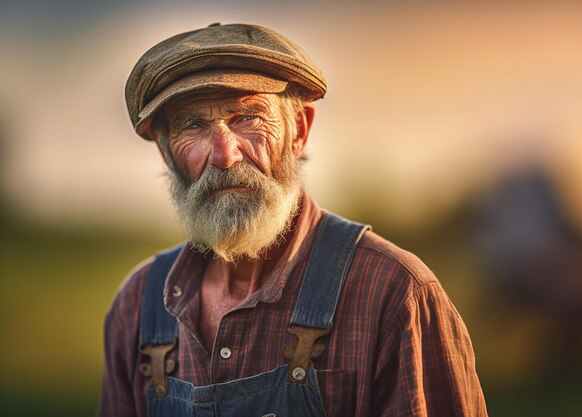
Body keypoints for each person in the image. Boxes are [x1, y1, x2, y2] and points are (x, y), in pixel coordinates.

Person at [99, 22, 488, 417]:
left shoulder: (394, 294)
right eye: (192, 125)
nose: (225, 155)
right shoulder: (138, 307)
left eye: (247, 117)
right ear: (166, 153)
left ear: (298, 131)